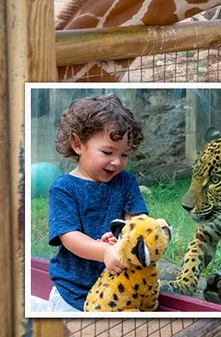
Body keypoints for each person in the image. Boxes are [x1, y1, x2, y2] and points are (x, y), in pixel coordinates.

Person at [46, 94, 149, 312]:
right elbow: (69, 237)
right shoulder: (63, 188)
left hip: (116, 290)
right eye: (107, 152)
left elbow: (136, 222)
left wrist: (126, 238)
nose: (117, 162)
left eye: (124, 154)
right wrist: (103, 251)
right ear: (77, 144)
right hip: (72, 294)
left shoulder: (127, 182)